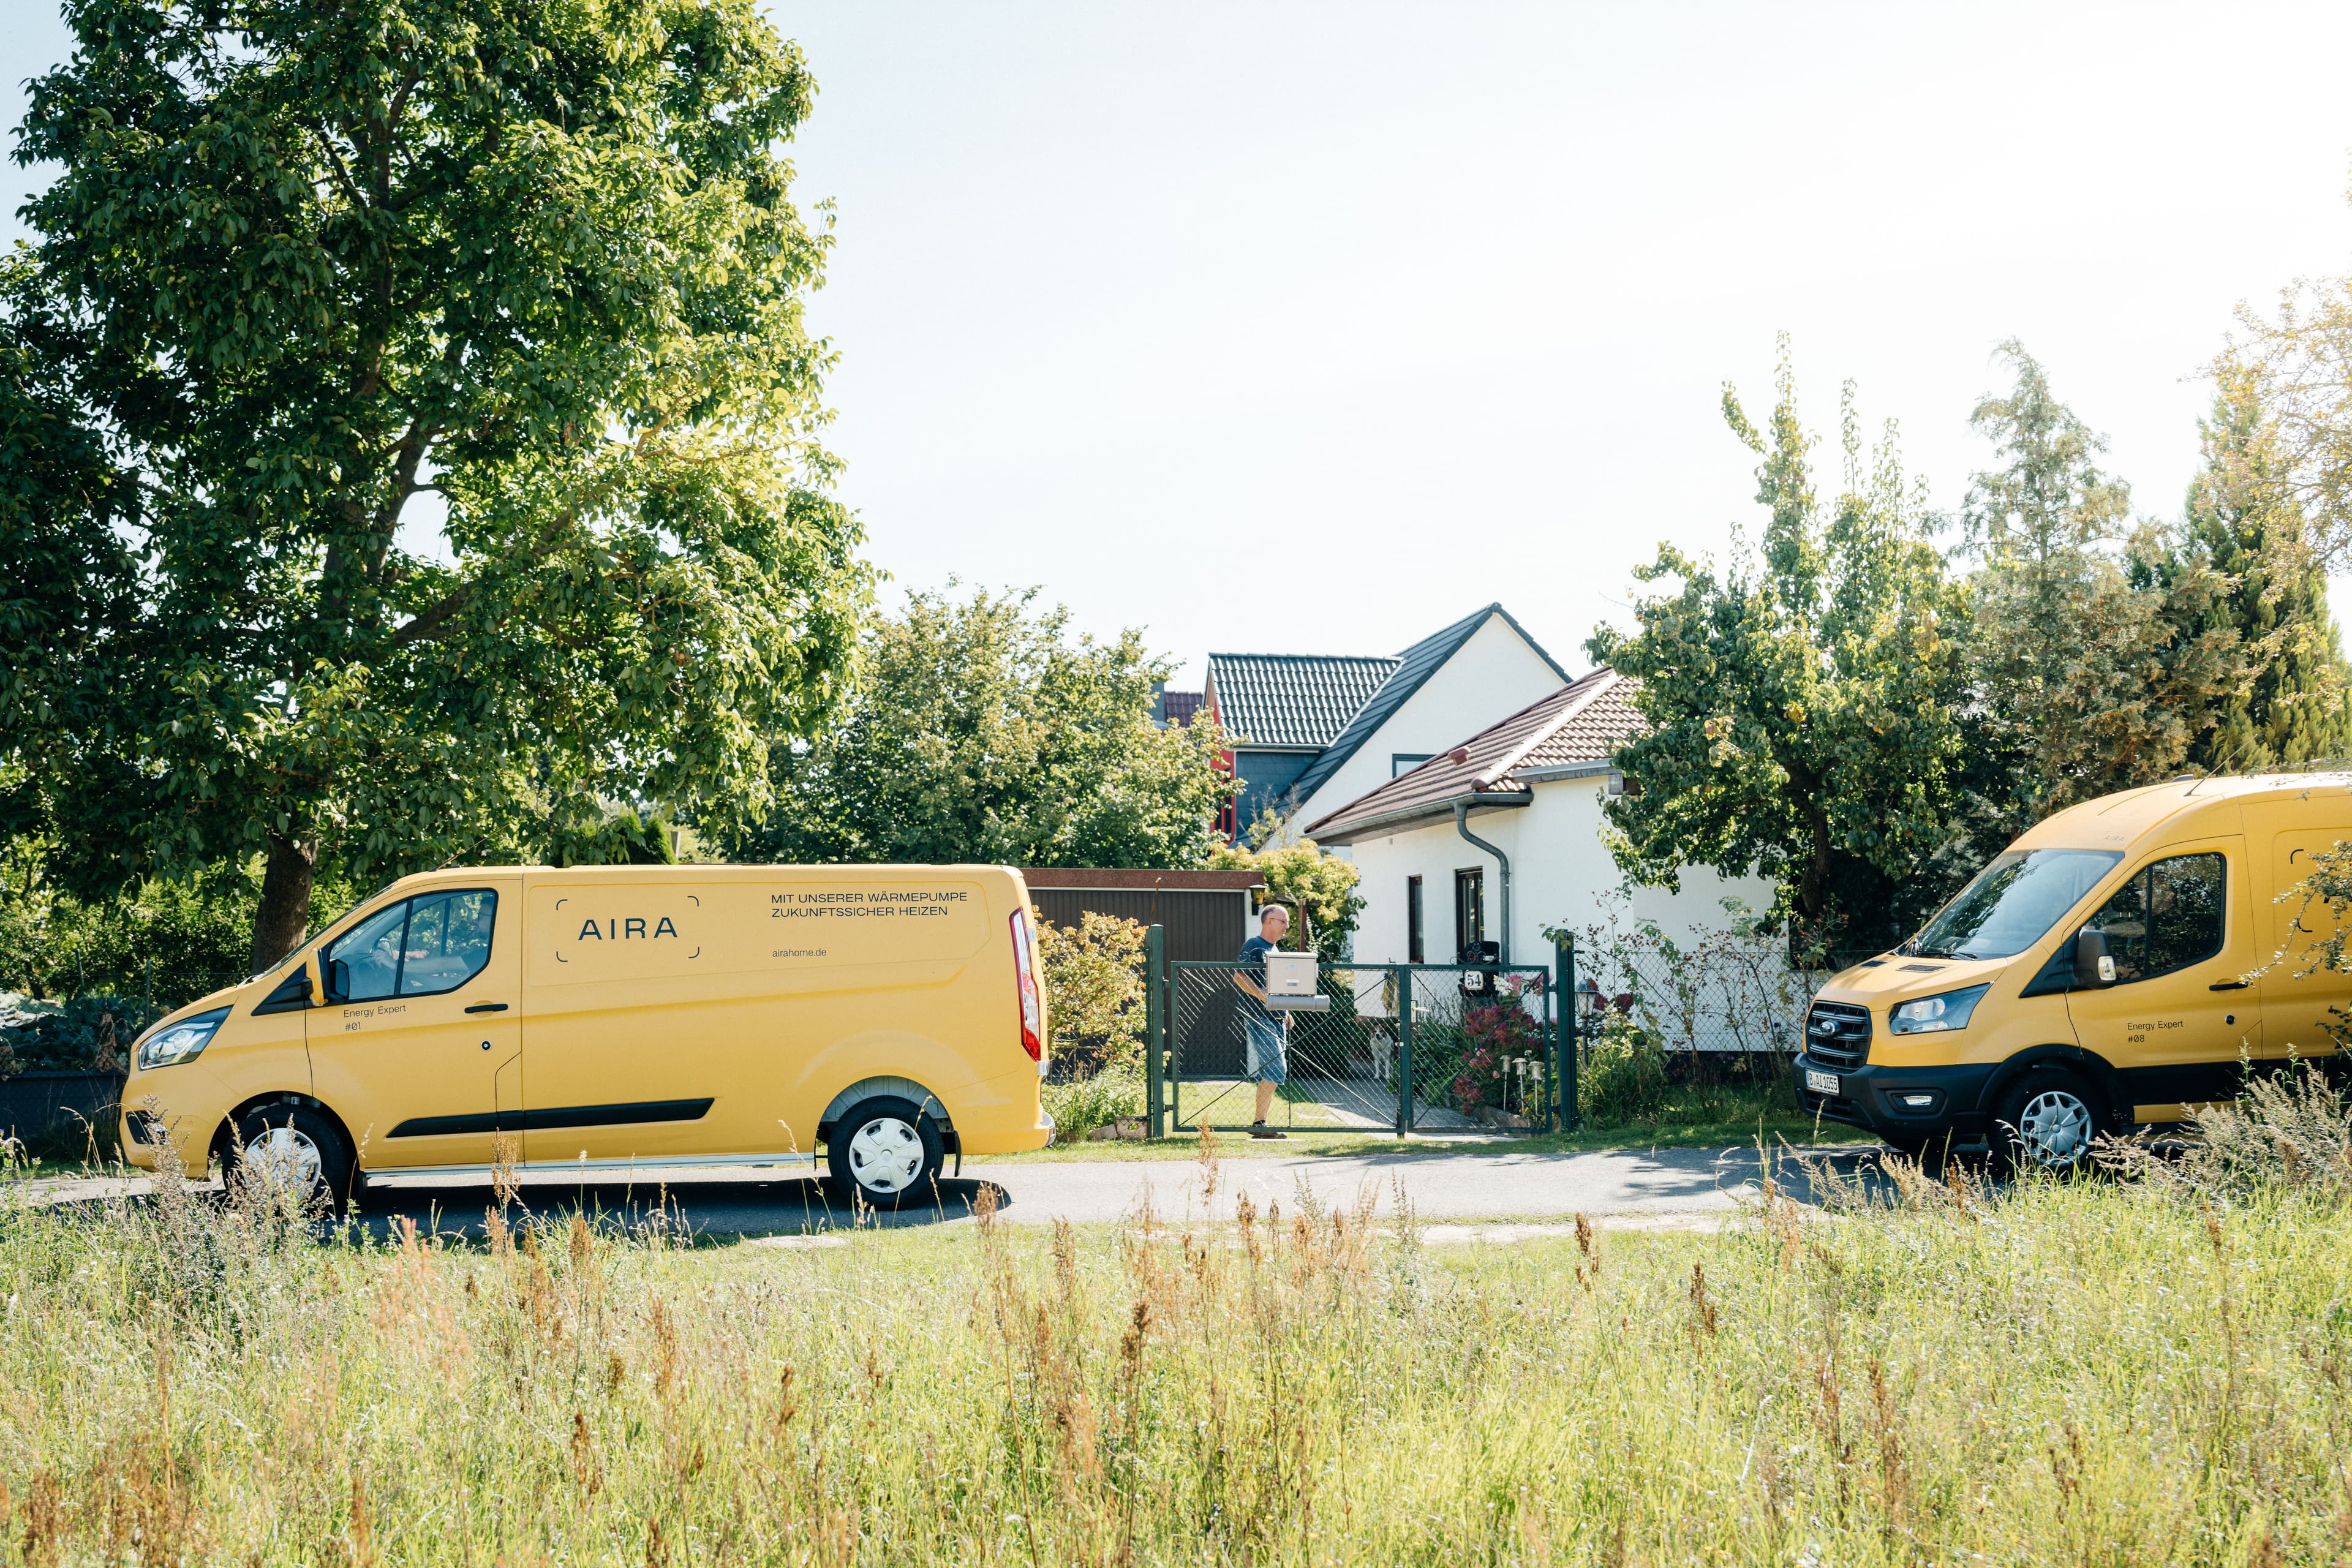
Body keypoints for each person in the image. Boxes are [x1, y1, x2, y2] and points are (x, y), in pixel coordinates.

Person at [1233, 903, 1293, 1139]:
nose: (1286, 926)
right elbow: (1239, 976)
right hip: (1258, 1017)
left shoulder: (1275, 949)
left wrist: (1287, 1012)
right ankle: (1259, 1124)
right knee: (1278, 1069)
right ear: (1269, 921)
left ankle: (1260, 1123)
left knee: (1275, 1070)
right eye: (1283, 921)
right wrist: (1260, 994)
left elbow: (1278, 987)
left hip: (1277, 1018)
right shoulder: (1254, 945)